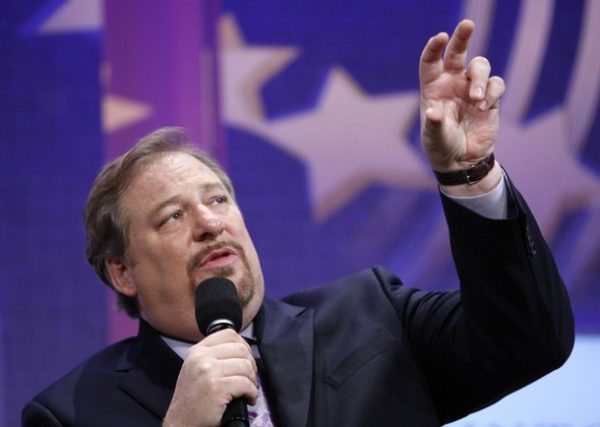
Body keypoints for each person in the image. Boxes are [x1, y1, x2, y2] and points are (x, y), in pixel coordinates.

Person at [22, 20, 574, 426]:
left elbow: (529, 342)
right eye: (172, 216)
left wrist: (467, 173)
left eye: (217, 200)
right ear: (122, 272)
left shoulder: (373, 316)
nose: (210, 224)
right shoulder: (69, 413)